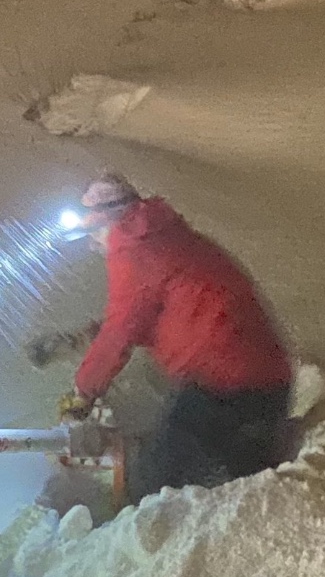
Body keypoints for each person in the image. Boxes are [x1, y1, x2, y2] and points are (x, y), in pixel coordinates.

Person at [64, 173, 294, 502]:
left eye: (92, 233)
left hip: (222, 383)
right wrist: (85, 338)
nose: (92, 244)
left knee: (155, 482)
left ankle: (118, 528)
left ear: (109, 223)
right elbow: (155, 310)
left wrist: (82, 395)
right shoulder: (166, 238)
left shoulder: (131, 250)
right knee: (240, 473)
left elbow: (122, 328)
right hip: (266, 377)